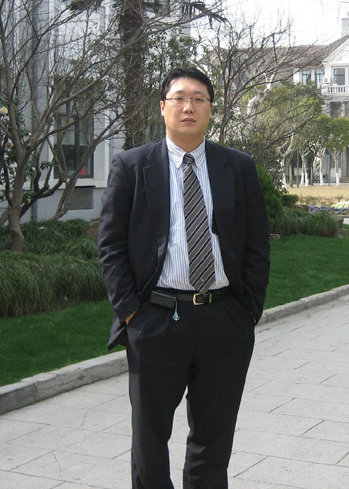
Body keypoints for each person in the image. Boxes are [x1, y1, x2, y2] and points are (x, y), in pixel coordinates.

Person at [98, 66, 270, 488]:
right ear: (163, 107)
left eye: (198, 99)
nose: (188, 106)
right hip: (156, 319)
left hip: (223, 319)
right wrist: (131, 312)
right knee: (149, 436)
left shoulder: (238, 167)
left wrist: (247, 310)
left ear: (211, 109)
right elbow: (111, 246)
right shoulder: (132, 166)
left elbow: (257, 243)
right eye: (179, 98)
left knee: (214, 437)